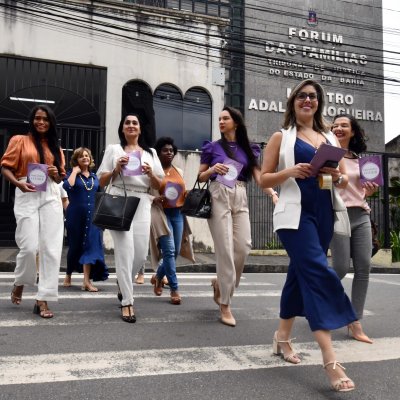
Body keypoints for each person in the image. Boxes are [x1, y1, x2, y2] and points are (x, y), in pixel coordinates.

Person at [260, 79, 357, 392]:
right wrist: (290, 172)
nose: (307, 100)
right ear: (293, 103)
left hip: (324, 215)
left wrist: (335, 176)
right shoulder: (281, 137)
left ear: (319, 103)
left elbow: (340, 180)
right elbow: (264, 179)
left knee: (298, 275)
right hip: (293, 216)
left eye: (313, 97)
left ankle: (281, 338)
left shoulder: (329, 137)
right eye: (301, 96)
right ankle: (331, 360)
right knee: (317, 272)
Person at [198, 106, 277, 327]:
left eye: (226, 118)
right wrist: (213, 169)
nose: (221, 121)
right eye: (220, 118)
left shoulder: (249, 149)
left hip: (240, 194)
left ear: (236, 122)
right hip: (218, 194)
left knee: (243, 247)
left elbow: (260, 178)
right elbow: (201, 176)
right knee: (224, 249)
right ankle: (225, 304)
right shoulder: (212, 147)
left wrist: (272, 193)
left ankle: (220, 285)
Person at [97, 113, 164, 323]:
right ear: (122, 128)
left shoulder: (150, 153)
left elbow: (159, 185)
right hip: (119, 198)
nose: (131, 125)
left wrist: (151, 173)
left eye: (135, 122)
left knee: (141, 254)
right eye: (127, 123)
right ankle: (127, 301)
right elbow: (101, 181)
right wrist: (116, 169)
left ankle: (123, 281)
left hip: (143, 201)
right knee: (125, 252)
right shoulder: (113, 149)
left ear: (140, 129)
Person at [1, 104, 65, 319]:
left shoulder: (55, 146)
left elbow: (60, 178)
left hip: (51, 194)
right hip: (26, 189)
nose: (41, 122)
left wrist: (56, 173)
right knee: (29, 247)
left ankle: (43, 298)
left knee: (51, 249)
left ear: (51, 122)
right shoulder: (19, 140)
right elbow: (5, 167)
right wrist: (17, 184)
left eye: (45, 119)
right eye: (37, 118)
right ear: (32, 120)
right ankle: (21, 281)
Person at [330, 114, 378, 344]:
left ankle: (355, 321)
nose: (338, 128)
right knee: (339, 269)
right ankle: (315, 299)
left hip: (361, 215)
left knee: (364, 267)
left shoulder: (362, 161)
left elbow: (363, 191)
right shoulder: (328, 156)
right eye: (335, 125)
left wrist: (369, 191)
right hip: (338, 215)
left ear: (353, 131)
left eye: (344, 125)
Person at [150, 136, 195, 305]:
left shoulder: (179, 171)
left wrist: (188, 194)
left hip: (178, 215)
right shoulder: (153, 172)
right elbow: (146, 192)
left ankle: (158, 277)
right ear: (159, 153)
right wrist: (153, 199)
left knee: (175, 251)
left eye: (171, 150)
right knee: (168, 251)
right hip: (162, 214)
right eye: (165, 150)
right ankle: (174, 289)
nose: (169, 153)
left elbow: (180, 192)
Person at [62, 147, 109, 291]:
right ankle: (68, 274)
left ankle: (86, 281)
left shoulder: (95, 177)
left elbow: (101, 197)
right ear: (76, 160)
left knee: (90, 246)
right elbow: (66, 186)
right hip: (75, 216)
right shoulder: (72, 174)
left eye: (87, 156)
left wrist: (102, 218)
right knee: (75, 246)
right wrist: (75, 172)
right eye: (81, 156)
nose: (85, 158)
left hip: (93, 217)